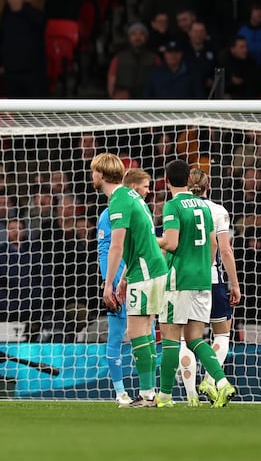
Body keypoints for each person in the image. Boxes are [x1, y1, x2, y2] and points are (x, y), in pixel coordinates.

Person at [156, 160, 236, 408]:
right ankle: (222, 383)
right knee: (194, 339)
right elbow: (214, 243)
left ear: (166, 180)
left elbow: (171, 243)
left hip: (179, 280)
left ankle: (165, 396)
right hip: (204, 278)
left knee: (170, 338)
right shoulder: (203, 207)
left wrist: (148, 238)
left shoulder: (172, 206)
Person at [92, 153, 167, 408]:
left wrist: (108, 284)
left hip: (145, 272)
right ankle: (149, 393)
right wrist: (124, 278)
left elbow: (117, 246)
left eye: (94, 172)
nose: (92, 176)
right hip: (151, 268)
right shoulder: (131, 196)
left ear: (101, 175)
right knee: (144, 331)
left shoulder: (118, 201)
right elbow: (138, 242)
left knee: (136, 332)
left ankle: (147, 394)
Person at [96, 168, 151, 406]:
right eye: (144, 186)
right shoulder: (109, 214)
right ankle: (121, 393)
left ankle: (148, 391)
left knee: (146, 335)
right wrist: (111, 283)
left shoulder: (136, 208)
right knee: (117, 336)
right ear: (132, 187)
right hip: (123, 284)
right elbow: (107, 252)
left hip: (138, 279)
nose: (147, 192)